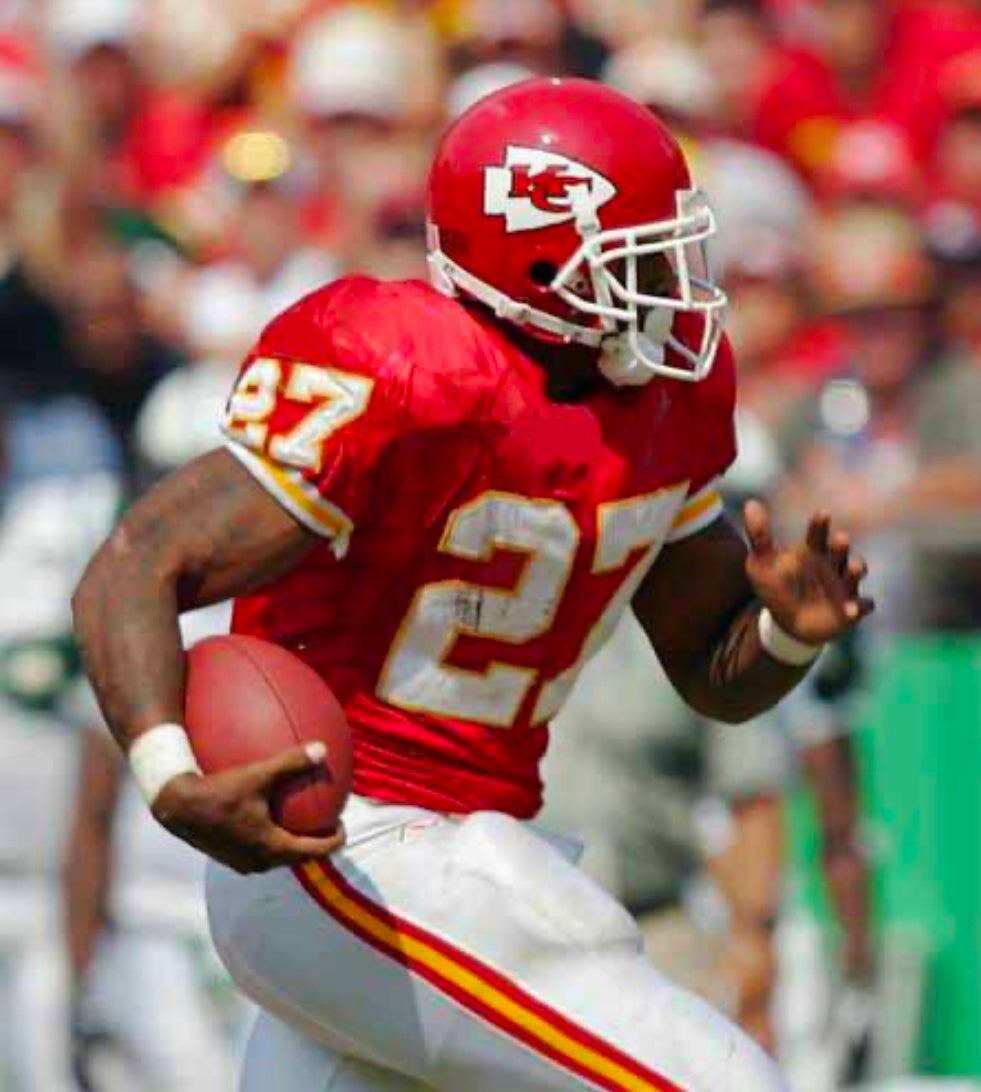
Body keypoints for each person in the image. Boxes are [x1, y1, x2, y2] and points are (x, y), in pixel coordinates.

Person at [73, 79, 873, 1091]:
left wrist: (788, 633)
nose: (672, 283)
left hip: (472, 855)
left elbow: (713, 672)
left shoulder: (663, 402)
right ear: (534, 258)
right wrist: (169, 776)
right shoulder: (406, 366)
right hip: (346, 845)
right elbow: (135, 563)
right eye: (637, 256)